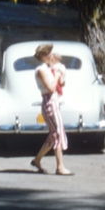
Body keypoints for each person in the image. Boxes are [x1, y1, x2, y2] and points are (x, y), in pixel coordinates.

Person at [30, 43, 72, 176]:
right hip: (49, 101)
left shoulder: (50, 68)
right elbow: (50, 88)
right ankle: (60, 167)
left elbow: (61, 85)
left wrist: (61, 75)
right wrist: (58, 76)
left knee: (54, 135)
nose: (52, 55)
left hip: (54, 101)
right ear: (43, 55)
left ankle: (37, 160)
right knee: (58, 133)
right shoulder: (41, 69)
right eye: (50, 53)